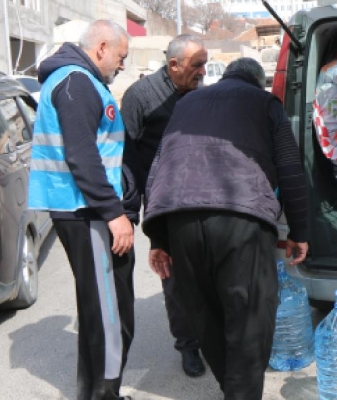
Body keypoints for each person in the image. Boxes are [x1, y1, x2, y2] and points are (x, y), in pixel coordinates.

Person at [141, 57, 309, 400]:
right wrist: (300, 230)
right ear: (257, 80)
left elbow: (160, 166)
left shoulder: (186, 103)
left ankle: (232, 391)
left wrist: (160, 238)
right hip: (241, 220)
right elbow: (291, 166)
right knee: (251, 323)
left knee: (206, 317)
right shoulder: (265, 102)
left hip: (181, 223)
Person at [27, 20, 135, 400]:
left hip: (84, 208)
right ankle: (104, 395)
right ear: (102, 47)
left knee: (98, 309)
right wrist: (114, 214)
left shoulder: (75, 80)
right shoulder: (77, 83)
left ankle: (93, 393)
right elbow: (82, 155)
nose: (121, 65)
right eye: (121, 56)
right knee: (109, 315)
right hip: (86, 211)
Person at [120, 34, 208, 378]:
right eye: (196, 65)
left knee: (206, 274)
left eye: (204, 63)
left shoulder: (200, 94)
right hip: (162, 206)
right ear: (173, 65)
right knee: (174, 279)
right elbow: (126, 158)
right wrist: (132, 209)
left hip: (200, 199)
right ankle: (188, 346)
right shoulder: (141, 97)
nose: (202, 71)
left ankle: (211, 336)